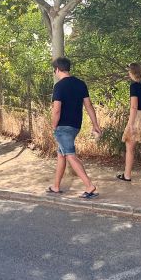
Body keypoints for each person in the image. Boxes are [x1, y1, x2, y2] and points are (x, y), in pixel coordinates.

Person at [48, 56, 101, 199]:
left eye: (55, 70)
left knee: (70, 155)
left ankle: (89, 186)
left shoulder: (58, 86)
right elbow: (89, 105)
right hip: (76, 125)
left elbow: (56, 110)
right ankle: (56, 186)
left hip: (63, 127)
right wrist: (95, 124)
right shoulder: (80, 84)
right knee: (61, 154)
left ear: (57, 69)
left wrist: (54, 126)